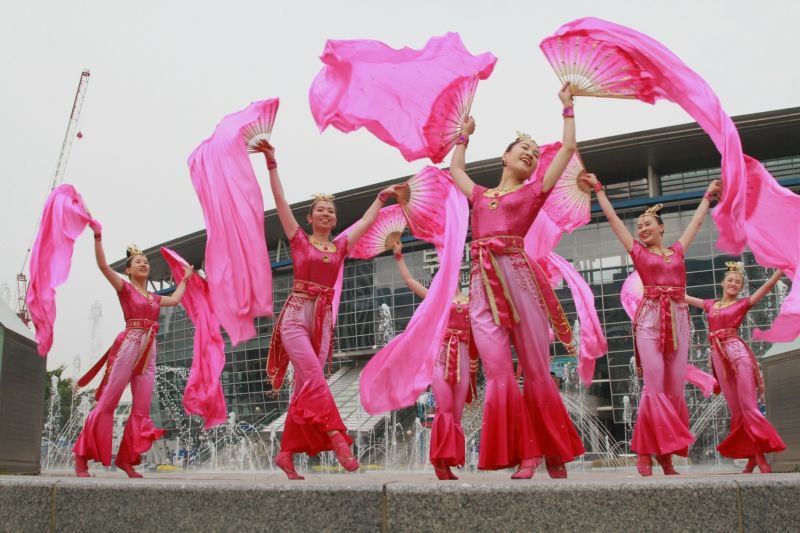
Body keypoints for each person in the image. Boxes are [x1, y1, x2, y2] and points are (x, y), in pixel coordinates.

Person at [449, 83, 584, 479]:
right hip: (481, 288)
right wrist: (464, 135)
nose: (529, 152)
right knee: (497, 372)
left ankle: (549, 450)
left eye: (533, 151)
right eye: (521, 147)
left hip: (519, 281)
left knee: (536, 369)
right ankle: (526, 450)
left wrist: (567, 109)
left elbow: (566, 151)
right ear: (504, 156)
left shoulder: (532, 193)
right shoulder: (478, 195)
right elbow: (455, 169)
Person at [256, 140, 399, 480]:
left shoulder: (340, 247)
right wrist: (272, 165)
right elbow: (279, 202)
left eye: (330, 211)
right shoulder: (298, 239)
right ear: (310, 217)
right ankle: (338, 438)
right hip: (295, 315)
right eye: (320, 209)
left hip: (322, 319)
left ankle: (287, 453)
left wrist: (382, 197)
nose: (326, 213)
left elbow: (366, 221)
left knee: (306, 386)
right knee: (316, 380)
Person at [581, 170, 722, 476]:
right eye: (640, 225)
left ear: (661, 227)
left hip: (679, 321)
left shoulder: (678, 251)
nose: (642, 228)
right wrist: (599, 191)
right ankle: (646, 453)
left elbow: (697, 222)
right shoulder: (638, 252)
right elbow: (616, 223)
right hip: (649, 321)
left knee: (673, 393)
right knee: (653, 388)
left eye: (647, 224)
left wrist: (708, 195)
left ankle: (665, 455)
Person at [73, 237, 193, 478]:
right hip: (130, 343)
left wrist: (186, 278)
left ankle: (127, 460)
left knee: (141, 410)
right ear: (128, 270)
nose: (144, 264)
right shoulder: (124, 288)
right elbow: (104, 266)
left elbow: (177, 299)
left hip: (150, 350)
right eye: (138, 261)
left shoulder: (154, 297)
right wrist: (98, 238)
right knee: (109, 402)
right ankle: (82, 456)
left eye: (146, 261)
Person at [685, 262, 786, 473]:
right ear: (723, 282)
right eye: (730, 280)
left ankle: (760, 455)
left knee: (748, 406)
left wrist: (779, 271)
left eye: (738, 282)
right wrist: (660, 288)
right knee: (737, 410)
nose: (733, 284)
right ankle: (752, 458)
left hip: (737, 353)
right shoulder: (710, 304)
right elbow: (682, 297)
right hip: (718, 357)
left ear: (741, 287)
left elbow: (765, 288)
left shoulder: (741, 304)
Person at [392, 240, 477, 480]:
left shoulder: (471, 301)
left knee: (457, 414)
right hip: (440, 358)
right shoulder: (437, 299)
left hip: (462, 360)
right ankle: (439, 462)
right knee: (445, 409)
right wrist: (399, 257)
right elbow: (410, 283)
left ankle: (450, 460)